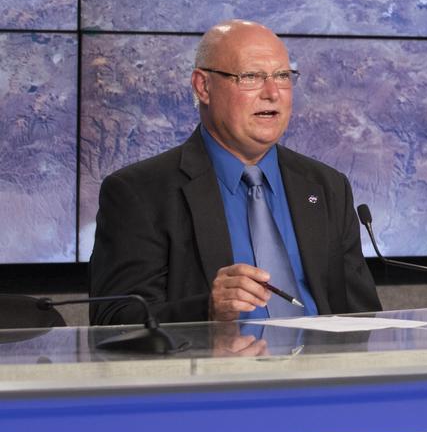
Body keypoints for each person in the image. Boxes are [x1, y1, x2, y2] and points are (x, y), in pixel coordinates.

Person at [89, 20, 381, 324]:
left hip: (322, 367)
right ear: (203, 87)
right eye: (251, 77)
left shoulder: (327, 186)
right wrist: (207, 311)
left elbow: (363, 317)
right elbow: (113, 322)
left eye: (282, 76)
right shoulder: (140, 193)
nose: (272, 93)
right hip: (218, 369)